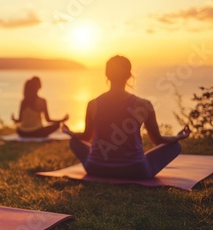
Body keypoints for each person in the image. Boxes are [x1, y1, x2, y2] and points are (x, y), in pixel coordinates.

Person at [62, 55, 190, 180]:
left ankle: (99, 159)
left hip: (96, 168)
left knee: (73, 142)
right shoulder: (144, 105)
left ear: (107, 75)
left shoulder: (92, 104)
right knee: (176, 146)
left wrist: (69, 132)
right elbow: (157, 140)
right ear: (129, 75)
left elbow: (86, 136)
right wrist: (179, 136)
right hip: (135, 170)